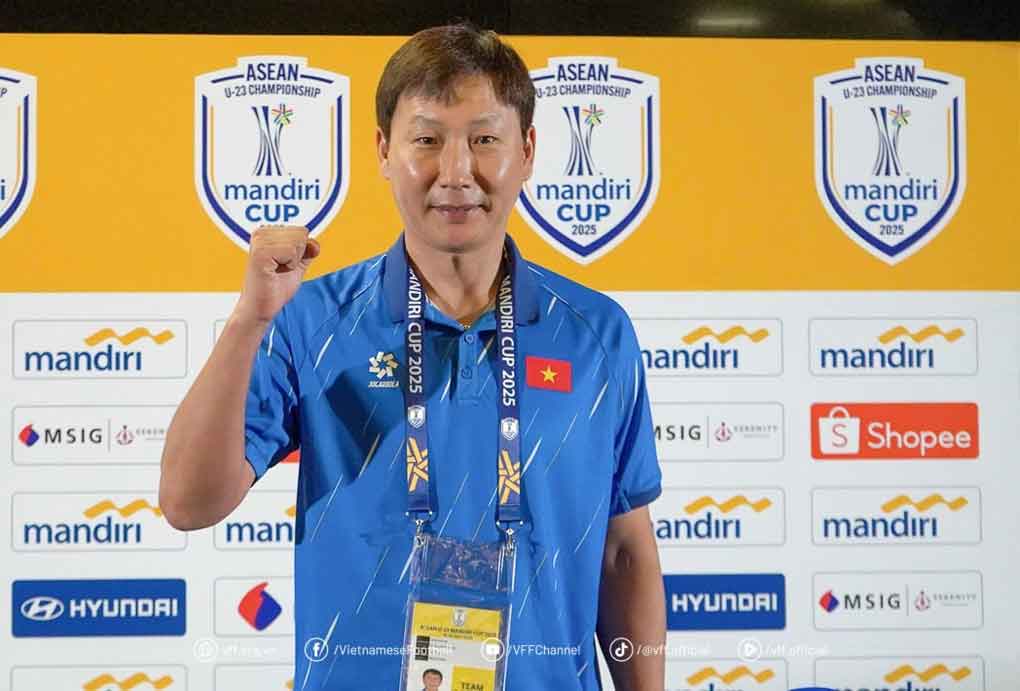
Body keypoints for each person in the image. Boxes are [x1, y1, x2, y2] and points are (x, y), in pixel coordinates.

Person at [160, 22, 665, 690]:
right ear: (383, 151)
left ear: (528, 150)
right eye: (427, 140)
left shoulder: (596, 333)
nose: (455, 173)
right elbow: (187, 503)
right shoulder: (310, 321)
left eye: (484, 140)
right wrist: (248, 320)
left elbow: (624, 553)